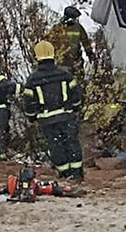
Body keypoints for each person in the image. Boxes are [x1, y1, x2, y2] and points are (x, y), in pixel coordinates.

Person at [23, 40, 84, 181]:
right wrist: (75, 108)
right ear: (53, 54)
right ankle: (76, 175)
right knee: (72, 143)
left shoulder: (33, 79)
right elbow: (76, 93)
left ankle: (64, 174)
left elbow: (28, 102)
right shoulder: (65, 74)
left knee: (56, 146)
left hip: (47, 119)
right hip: (67, 116)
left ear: (37, 56)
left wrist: (31, 117)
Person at [47, 6, 93, 84]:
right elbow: (50, 44)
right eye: (75, 18)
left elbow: (85, 41)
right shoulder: (58, 28)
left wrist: (90, 53)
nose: (76, 20)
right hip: (62, 63)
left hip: (76, 62)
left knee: (78, 83)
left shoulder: (78, 28)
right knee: (64, 83)